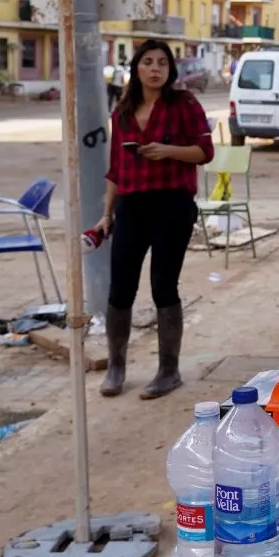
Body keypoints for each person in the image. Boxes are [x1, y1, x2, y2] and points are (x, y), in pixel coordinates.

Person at [96, 39, 214, 399]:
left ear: (170, 70)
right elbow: (115, 169)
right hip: (131, 205)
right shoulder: (123, 112)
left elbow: (205, 151)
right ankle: (116, 367)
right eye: (148, 62)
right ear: (136, 68)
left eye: (162, 62)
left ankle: (168, 371)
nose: (155, 69)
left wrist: (168, 151)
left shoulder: (184, 104)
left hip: (172, 204)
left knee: (163, 284)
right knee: (120, 289)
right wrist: (106, 215)